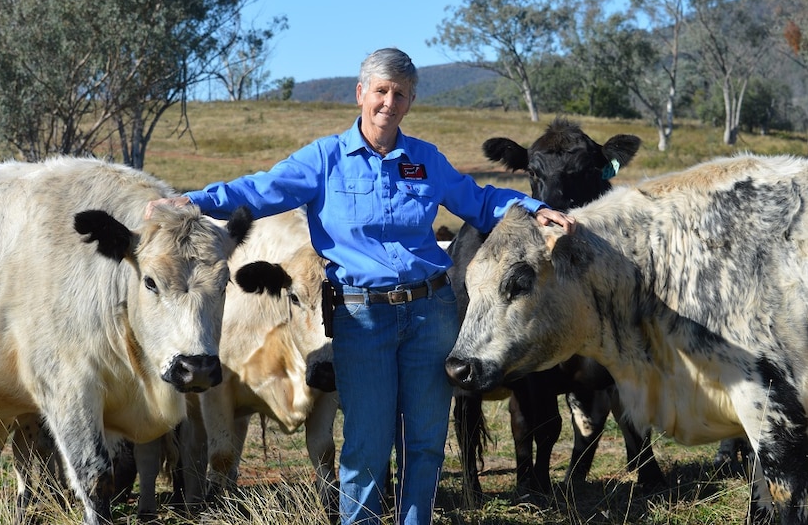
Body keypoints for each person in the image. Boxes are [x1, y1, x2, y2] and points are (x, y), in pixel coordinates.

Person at [146, 47, 575, 525]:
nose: (389, 102)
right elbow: (259, 190)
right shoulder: (324, 159)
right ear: (361, 94)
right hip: (361, 317)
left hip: (430, 313)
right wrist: (197, 199)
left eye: (400, 94)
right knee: (367, 446)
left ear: (410, 101)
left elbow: (478, 201)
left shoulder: (425, 160)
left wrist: (532, 209)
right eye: (381, 91)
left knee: (426, 442)